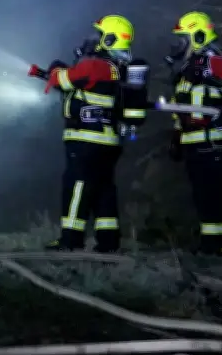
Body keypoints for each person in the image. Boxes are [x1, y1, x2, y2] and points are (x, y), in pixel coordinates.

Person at [35, 15, 149, 252]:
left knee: (76, 184)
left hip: (86, 139)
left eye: (98, 35)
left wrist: (56, 67)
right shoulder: (118, 69)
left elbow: (62, 80)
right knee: (103, 189)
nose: (93, 39)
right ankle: (108, 242)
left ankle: (70, 240)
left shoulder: (95, 66)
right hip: (108, 141)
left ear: (109, 38)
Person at [166, 11, 222, 256]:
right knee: (202, 193)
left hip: (215, 138)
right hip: (192, 142)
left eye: (183, 38)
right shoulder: (184, 70)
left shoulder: (212, 62)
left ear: (198, 36)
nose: (178, 44)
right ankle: (212, 242)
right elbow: (179, 105)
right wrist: (176, 135)